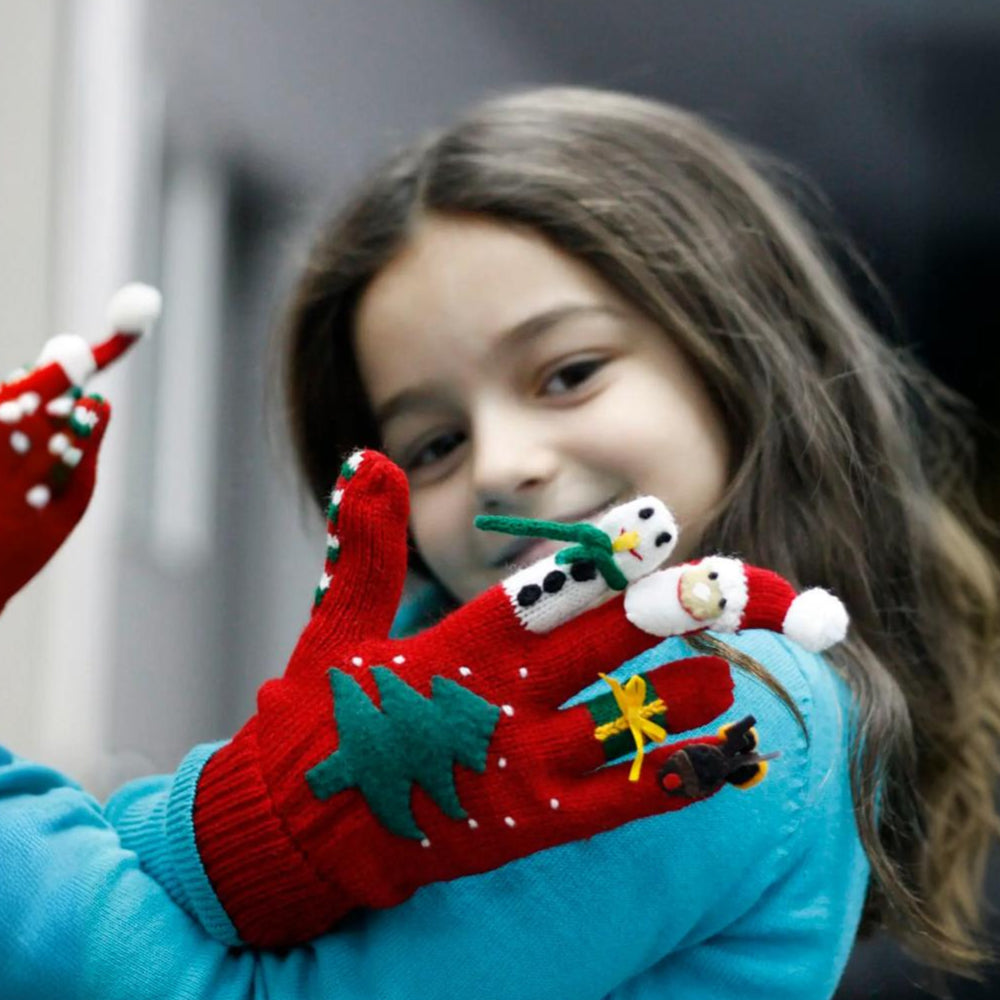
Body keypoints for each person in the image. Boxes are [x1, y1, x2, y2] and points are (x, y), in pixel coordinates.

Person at [1, 86, 997, 999]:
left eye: (567, 372)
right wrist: (237, 825)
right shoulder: (437, 695)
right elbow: (176, 893)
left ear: (739, 358)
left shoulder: (728, 705)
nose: (498, 467)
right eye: (434, 442)